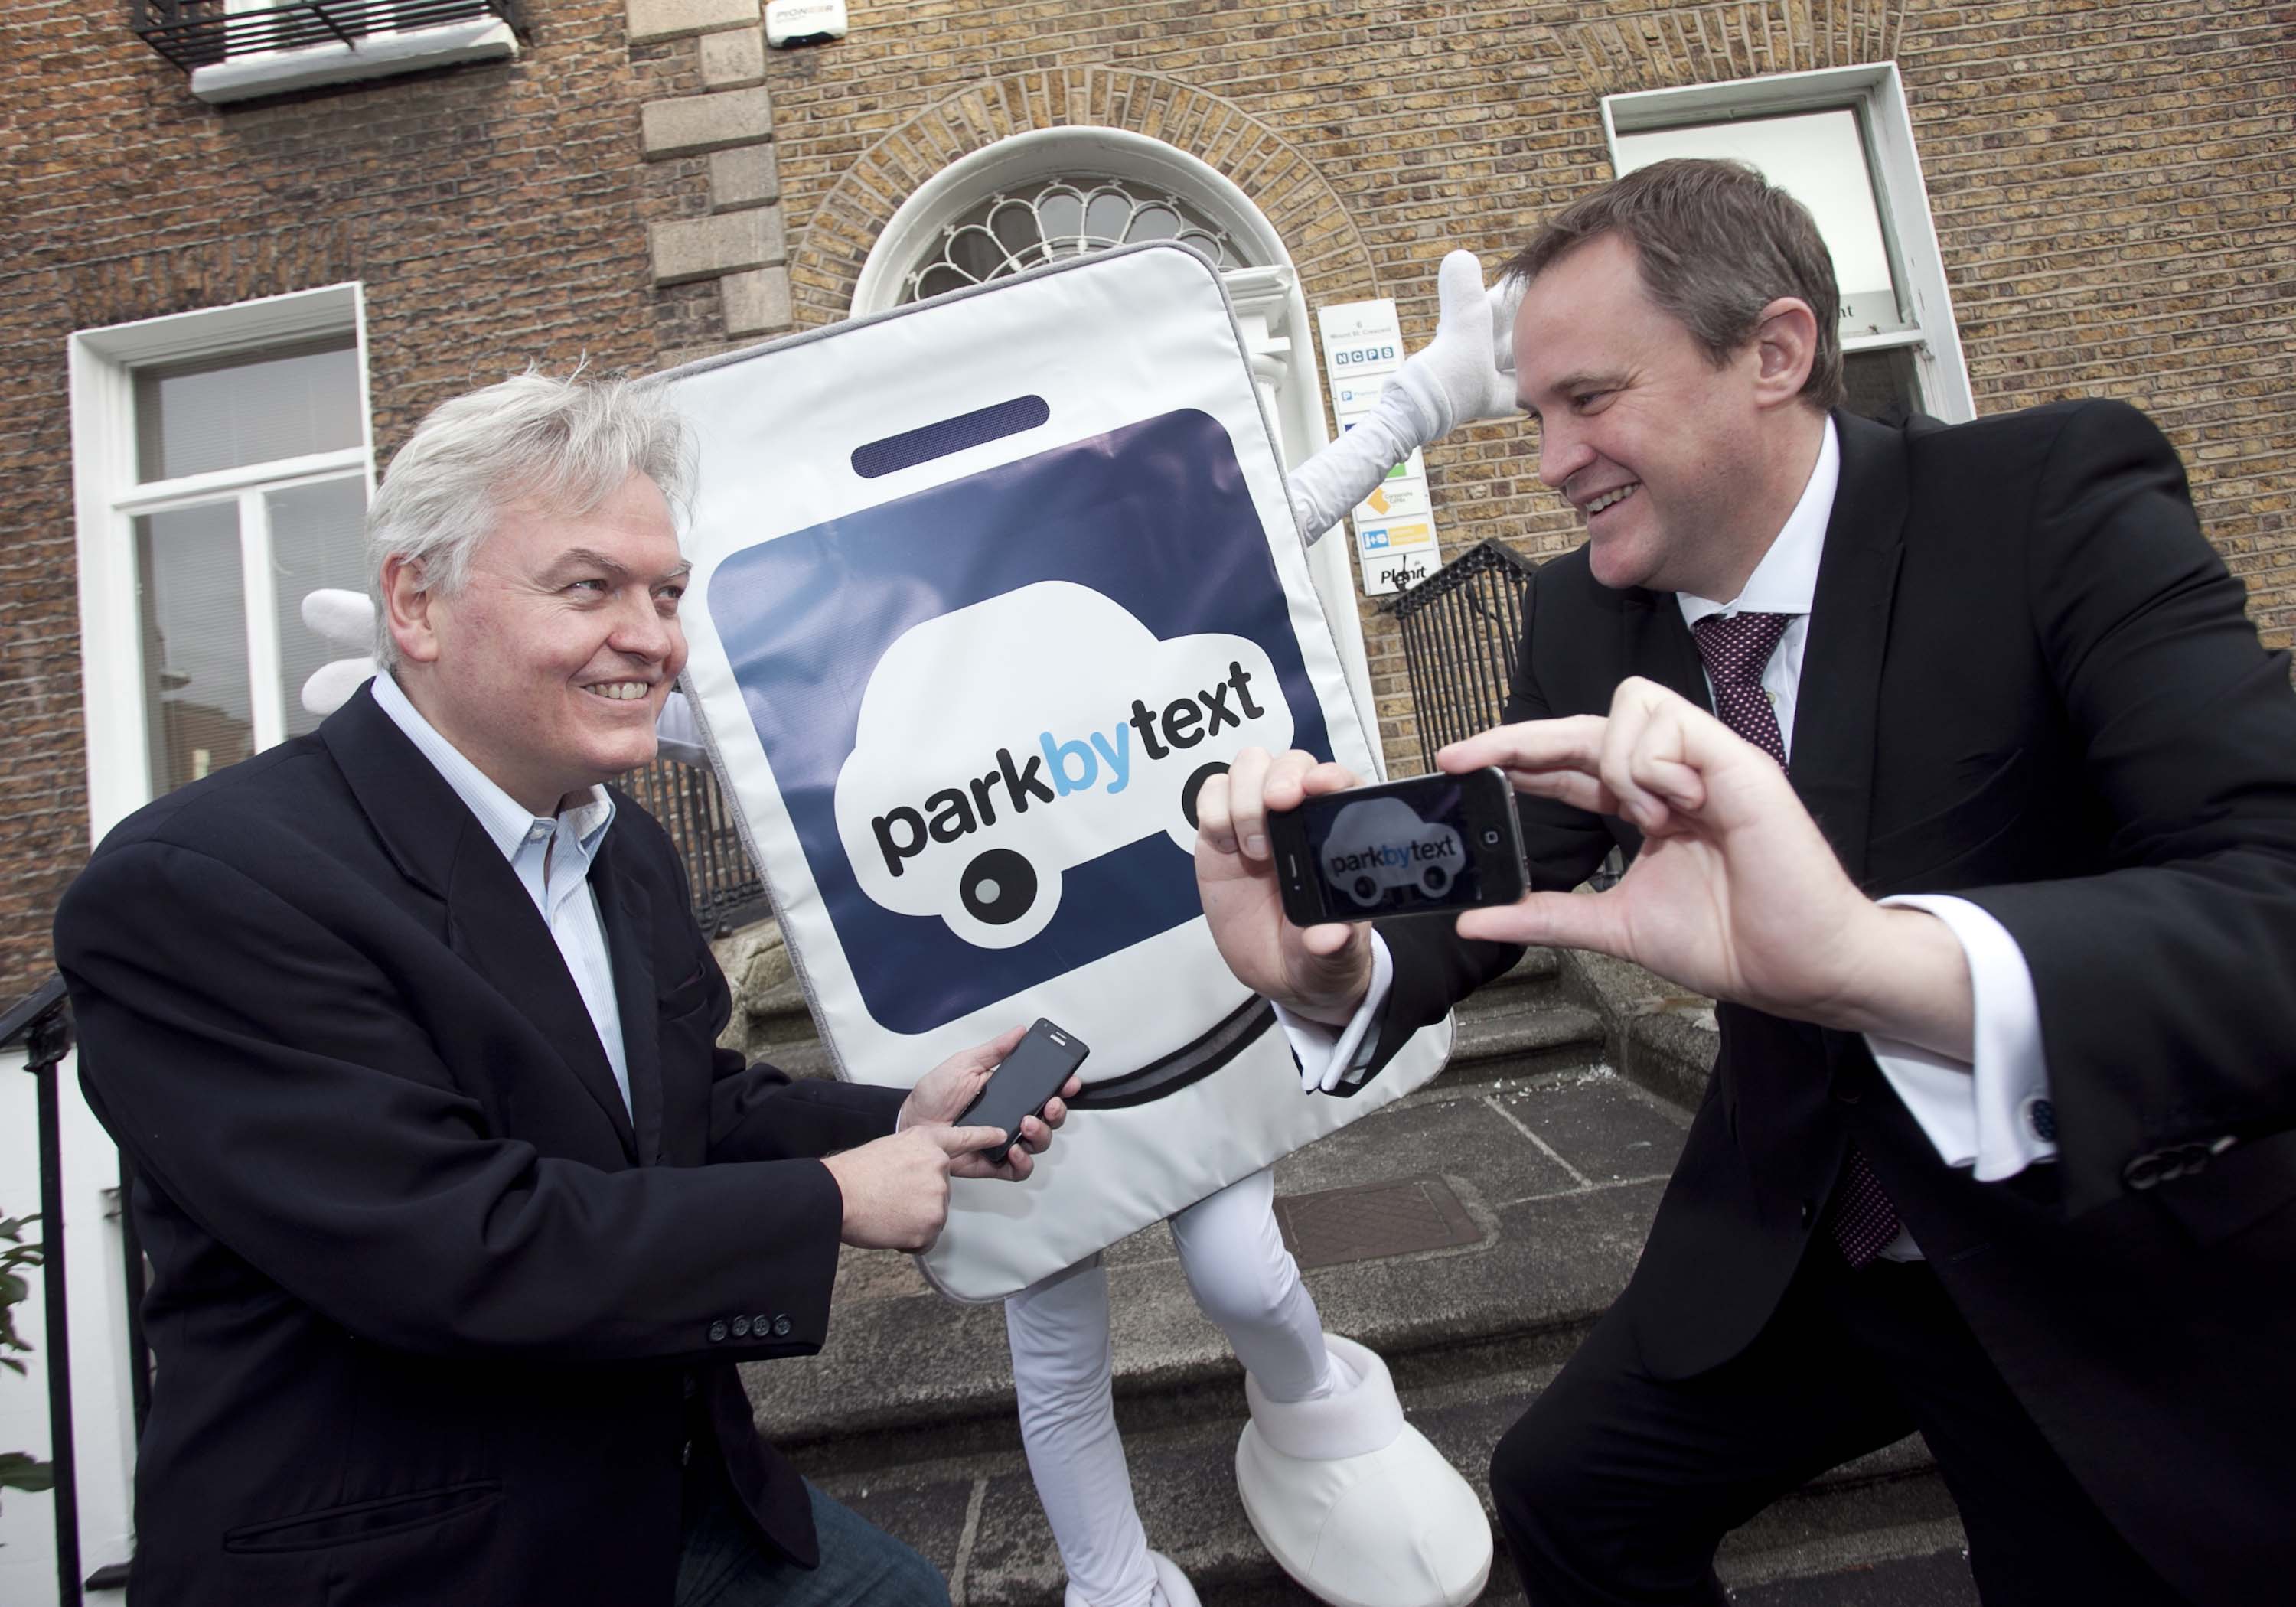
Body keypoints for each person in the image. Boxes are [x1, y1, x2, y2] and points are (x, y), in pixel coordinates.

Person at [1196, 158, 2296, 1605]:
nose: (1550, 461)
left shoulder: (2048, 501)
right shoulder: (1579, 612)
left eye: (1590, 400)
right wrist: (1340, 965)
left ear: (1774, 352)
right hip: (1803, 1230)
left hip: (2073, 1230)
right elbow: (1508, 875)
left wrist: (1871, 959)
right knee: (1567, 1496)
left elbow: (2269, 901)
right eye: (1533, 416)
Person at [53, 372, 1079, 1607]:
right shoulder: (203, 885)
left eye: (667, 594)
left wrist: (901, 1119)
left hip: (671, 1493)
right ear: (416, 603)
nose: (652, 638)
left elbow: (685, 1111)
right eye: (590, 588)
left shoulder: (621, 847)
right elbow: (448, 1245)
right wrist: (829, 1201)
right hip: (419, 1558)